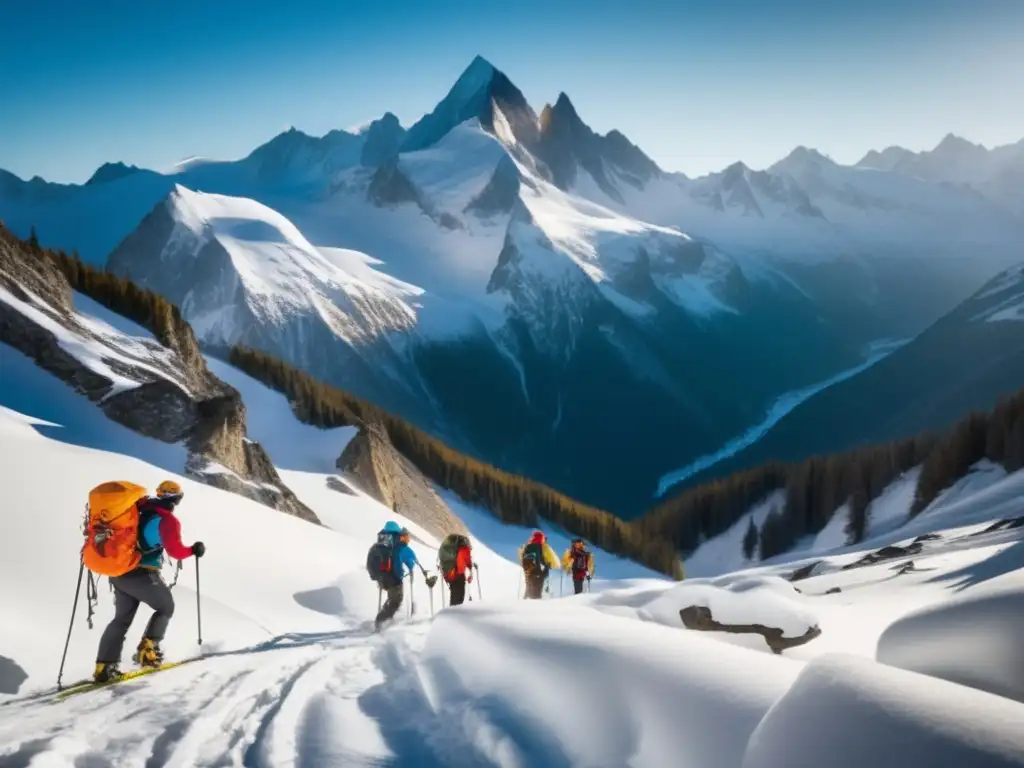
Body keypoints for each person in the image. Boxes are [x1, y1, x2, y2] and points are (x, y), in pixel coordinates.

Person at [94, 480, 205, 683]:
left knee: (121, 620)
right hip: (141, 574)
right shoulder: (168, 521)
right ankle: (148, 652)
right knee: (166, 607)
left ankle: (104, 666)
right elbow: (175, 551)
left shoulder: (138, 511)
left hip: (120, 573)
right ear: (176, 499)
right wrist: (193, 550)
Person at [368, 521, 419, 631]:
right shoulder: (399, 546)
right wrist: (411, 565)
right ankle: (381, 622)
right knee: (396, 599)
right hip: (393, 578)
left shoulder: (382, 542)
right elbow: (410, 561)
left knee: (393, 599)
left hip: (381, 577)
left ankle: (385, 619)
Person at [518, 530, 559, 599]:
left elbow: (522, 559)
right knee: (536, 596)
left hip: (528, 573)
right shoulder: (539, 547)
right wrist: (547, 566)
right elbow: (541, 561)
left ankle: (523, 602)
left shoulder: (527, 547)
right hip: (537, 574)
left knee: (528, 591)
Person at [438, 534, 473, 606]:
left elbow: (466, 561)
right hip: (456, 575)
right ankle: (455, 613)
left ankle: (453, 612)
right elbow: (462, 562)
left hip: (449, 573)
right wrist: (466, 573)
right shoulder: (463, 550)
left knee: (455, 595)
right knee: (458, 597)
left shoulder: (455, 550)